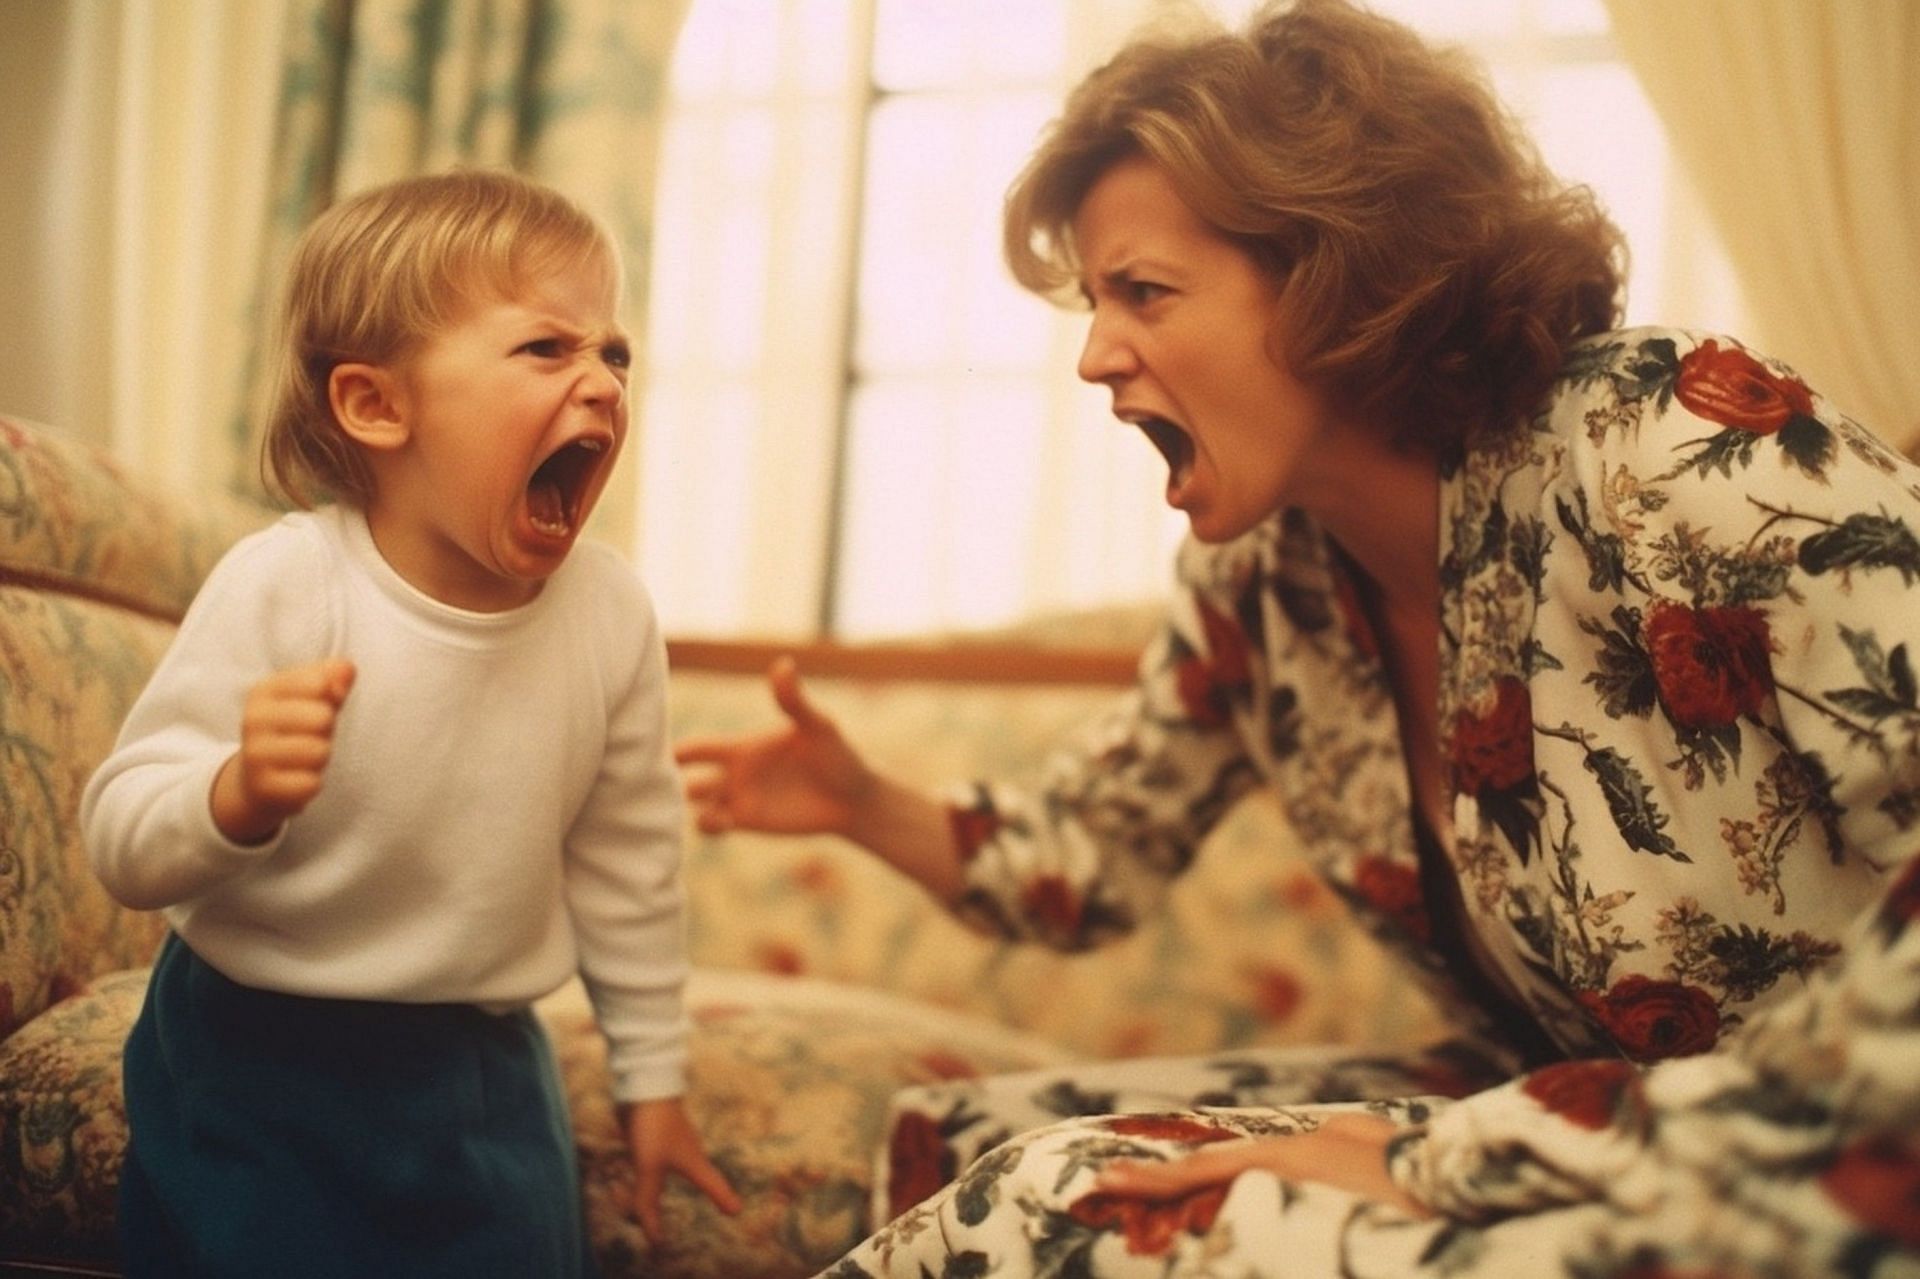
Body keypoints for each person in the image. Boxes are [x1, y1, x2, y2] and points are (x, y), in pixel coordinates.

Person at [673, 1, 1920, 1274]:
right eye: (1094, 302)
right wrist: (858, 797)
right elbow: (1090, 857)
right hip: (1577, 1120)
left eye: (1144, 293)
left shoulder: (1674, 439)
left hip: (1836, 1164)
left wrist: (1438, 1162)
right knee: (973, 1136)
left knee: (1073, 1197)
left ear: (1341, 279)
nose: (1096, 355)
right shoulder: (1258, 577)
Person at [83, 169, 741, 1277]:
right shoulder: (287, 584)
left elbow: (630, 860)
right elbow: (118, 833)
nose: (602, 381)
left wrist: (654, 1081)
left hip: (480, 1067)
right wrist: (230, 794)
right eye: (546, 348)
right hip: (254, 1052)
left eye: (614, 352)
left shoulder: (612, 614)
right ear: (377, 405)